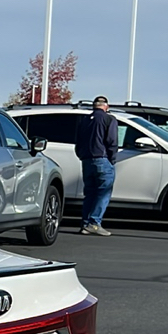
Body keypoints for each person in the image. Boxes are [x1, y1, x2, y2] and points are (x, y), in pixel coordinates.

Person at [74, 95, 119, 236]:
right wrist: (112, 159)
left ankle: (85, 223)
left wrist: (82, 155)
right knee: (103, 192)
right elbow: (112, 140)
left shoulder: (84, 120)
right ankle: (94, 223)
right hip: (102, 159)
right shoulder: (109, 119)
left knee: (90, 193)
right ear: (106, 107)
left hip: (86, 160)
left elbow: (78, 141)